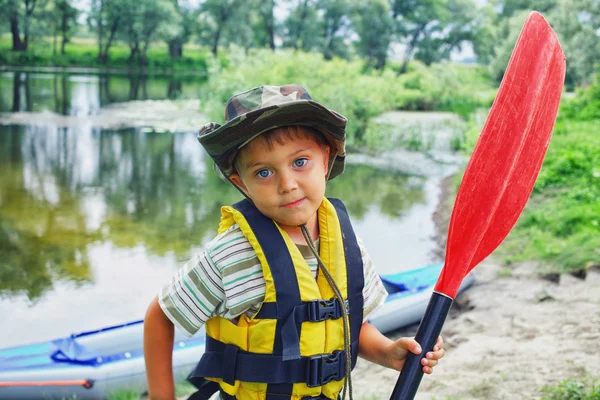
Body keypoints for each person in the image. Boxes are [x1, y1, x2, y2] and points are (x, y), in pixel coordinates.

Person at [143, 84, 445, 400]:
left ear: (326, 160)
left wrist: (387, 352)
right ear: (240, 182)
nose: (287, 185)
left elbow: (350, 325)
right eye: (263, 173)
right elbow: (162, 314)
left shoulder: (345, 246)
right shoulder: (232, 254)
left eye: (300, 162)